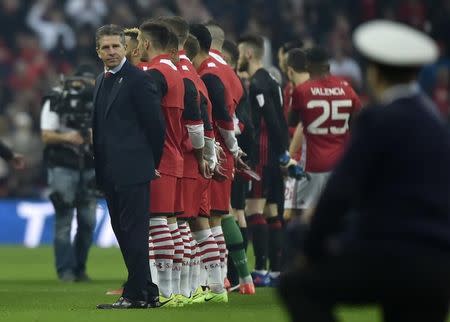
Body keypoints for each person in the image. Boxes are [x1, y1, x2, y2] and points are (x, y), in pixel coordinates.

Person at [279, 20, 450, 322]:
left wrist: (312, 248)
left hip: (386, 255)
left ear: (374, 72)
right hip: (436, 266)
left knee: (297, 286)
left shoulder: (378, 120)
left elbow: (340, 194)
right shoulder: (437, 123)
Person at [93, 24, 165, 309]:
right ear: (97, 51)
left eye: (116, 46)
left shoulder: (137, 79)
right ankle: (146, 291)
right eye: (106, 47)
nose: (111, 52)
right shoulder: (101, 80)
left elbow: (155, 127)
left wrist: (151, 163)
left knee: (133, 231)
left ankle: (135, 294)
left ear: (126, 48)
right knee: (123, 231)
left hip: (134, 169)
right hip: (109, 171)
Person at [203, 21, 255, 295]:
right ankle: (242, 277)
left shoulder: (206, 70)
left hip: (211, 149)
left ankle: (216, 278)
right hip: (228, 149)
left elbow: (217, 114)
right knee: (224, 213)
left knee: (206, 216)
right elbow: (240, 117)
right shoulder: (231, 73)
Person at [138, 21, 185, 307]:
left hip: (160, 157)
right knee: (171, 225)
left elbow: (149, 119)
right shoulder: (175, 71)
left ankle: (165, 293)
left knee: (157, 225)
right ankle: (175, 291)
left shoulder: (156, 73)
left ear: (145, 43)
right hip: (174, 153)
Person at [286, 46, 360, 223]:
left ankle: (301, 249)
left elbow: (292, 122)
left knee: (296, 215)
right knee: (336, 214)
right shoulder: (347, 89)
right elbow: (357, 122)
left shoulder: (302, 91)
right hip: (338, 165)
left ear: (309, 66)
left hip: (312, 165)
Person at [237, 34, 289, 287]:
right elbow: (281, 117)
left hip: (262, 151)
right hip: (274, 151)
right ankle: (276, 271)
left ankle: (259, 269)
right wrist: (284, 151)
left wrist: (280, 152)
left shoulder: (258, 83)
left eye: (239, 53)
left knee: (253, 210)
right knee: (271, 211)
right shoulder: (273, 78)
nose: (238, 58)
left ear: (248, 54)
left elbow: (270, 118)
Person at [40, 65, 97, 283]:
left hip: (90, 166)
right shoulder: (56, 98)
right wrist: (69, 138)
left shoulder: (99, 99)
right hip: (63, 165)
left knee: (88, 221)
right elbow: (46, 135)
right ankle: (65, 271)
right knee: (64, 220)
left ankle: (79, 268)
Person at [222, 38, 255, 291]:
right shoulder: (236, 81)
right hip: (237, 155)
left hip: (233, 157)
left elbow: (243, 123)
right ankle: (239, 277)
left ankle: (235, 275)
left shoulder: (227, 80)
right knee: (235, 213)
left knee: (230, 213)